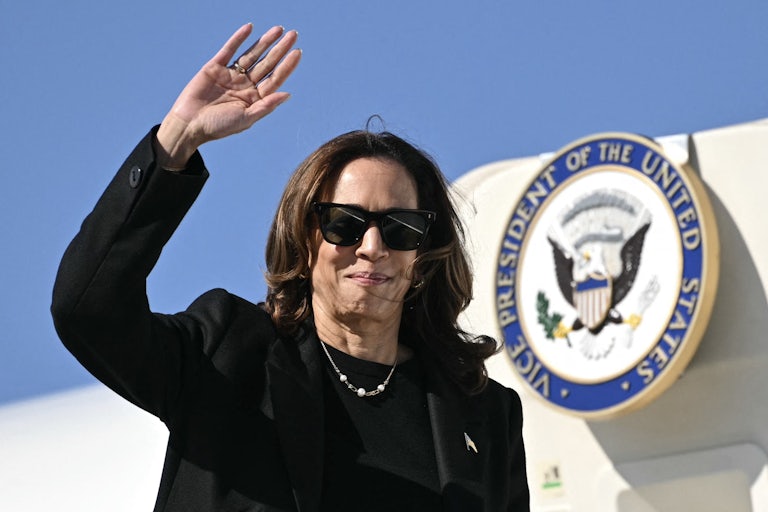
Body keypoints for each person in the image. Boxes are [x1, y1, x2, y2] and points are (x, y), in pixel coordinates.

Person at [51, 23, 529, 512]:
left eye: (400, 229)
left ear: (424, 253)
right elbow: (87, 310)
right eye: (345, 224)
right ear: (304, 239)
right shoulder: (227, 353)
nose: (372, 246)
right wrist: (177, 141)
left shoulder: (487, 415)